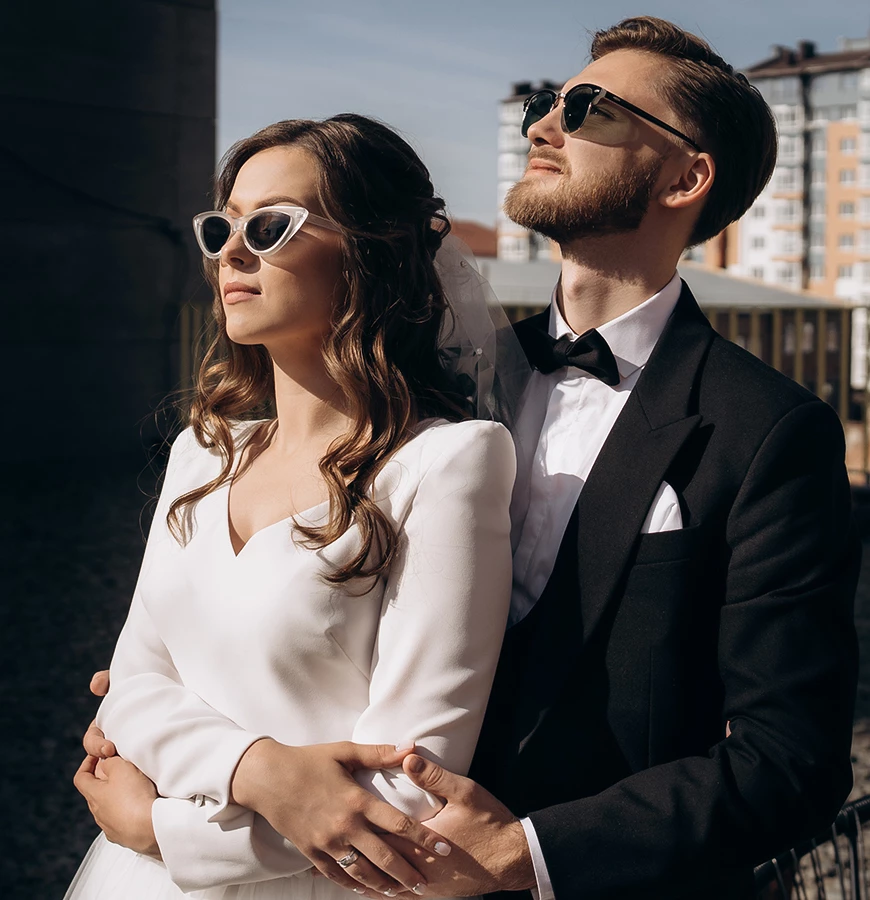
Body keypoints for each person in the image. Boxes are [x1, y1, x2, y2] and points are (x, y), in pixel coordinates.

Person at [77, 16, 861, 900]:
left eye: (591, 110)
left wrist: (526, 852)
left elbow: (787, 760)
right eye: (544, 102)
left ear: (687, 176)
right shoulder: (429, 387)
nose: (542, 125)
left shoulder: (766, 429)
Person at [65, 113, 519, 900]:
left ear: (369, 254)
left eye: (271, 226)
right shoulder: (201, 454)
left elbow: (410, 793)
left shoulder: (447, 463)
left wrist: (160, 832)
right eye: (222, 228)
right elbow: (130, 688)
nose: (233, 252)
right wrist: (262, 769)